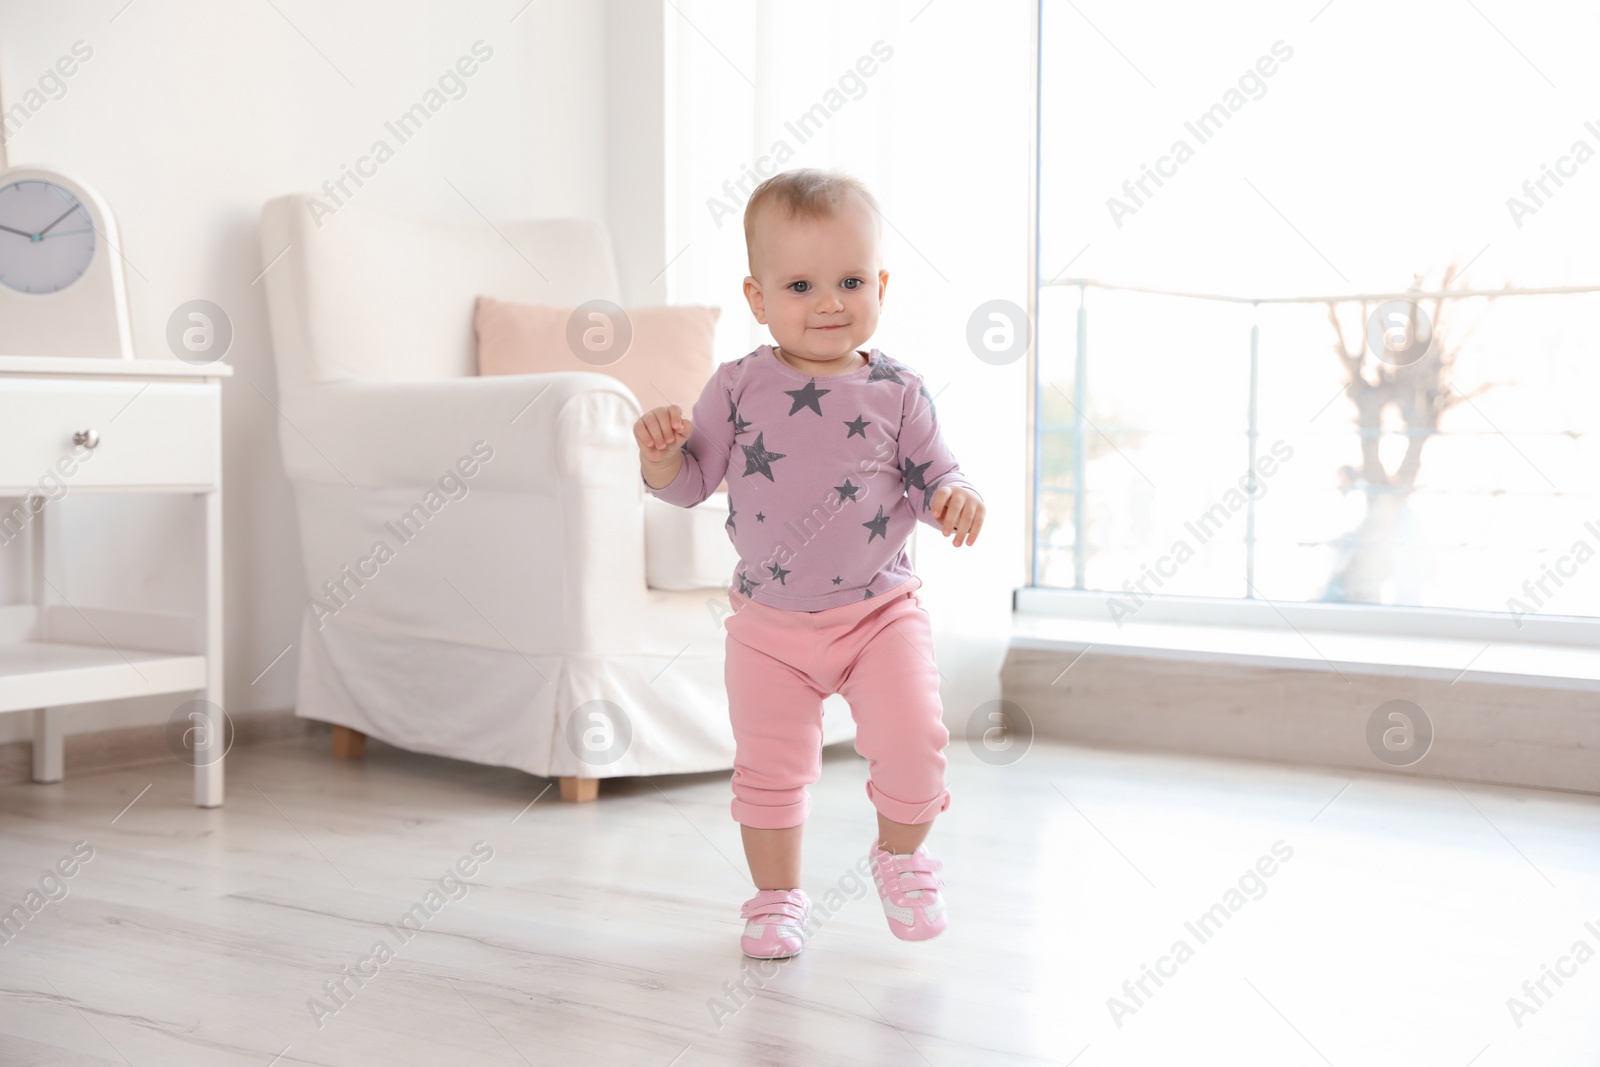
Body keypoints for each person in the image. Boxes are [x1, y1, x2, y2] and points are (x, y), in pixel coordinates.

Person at [634, 167, 984, 959]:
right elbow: (689, 483)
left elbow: (936, 477)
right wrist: (660, 457)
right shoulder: (736, 387)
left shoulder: (899, 391)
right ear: (758, 299)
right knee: (769, 769)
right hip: (768, 627)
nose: (829, 302)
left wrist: (957, 496)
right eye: (801, 285)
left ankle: (902, 857)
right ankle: (775, 900)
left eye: (850, 280)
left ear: (882, 284)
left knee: (916, 738)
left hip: (878, 614)